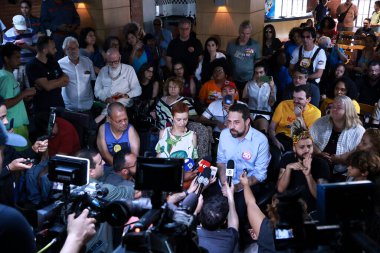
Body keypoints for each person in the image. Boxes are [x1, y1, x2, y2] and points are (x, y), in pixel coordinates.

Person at [217, 103, 271, 247]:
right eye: (229, 121)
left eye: (236, 122)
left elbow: (260, 175)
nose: (231, 126)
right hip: (224, 183)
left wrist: (236, 187)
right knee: (211, 211)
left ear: (247, 122)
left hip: (246, 186)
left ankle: (237, 246)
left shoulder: (261, 141)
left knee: (238, 215)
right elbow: (221, 162)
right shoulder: (224, 134)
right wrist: (224, 182)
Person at [277, 120, 329, 212]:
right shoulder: (287, 159)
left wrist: (308, 175)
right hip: (289, 207)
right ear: (294, 148)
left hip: (311, 211)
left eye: (309, 146)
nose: (307, 150)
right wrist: (288, 169)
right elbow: (280, 189)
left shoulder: (321, 164)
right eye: (302, 147)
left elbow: (321, 196)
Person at [310, 95, 365, 180]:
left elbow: (360, 155)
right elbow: (307, 140)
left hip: (344, 173)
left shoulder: (358, 131)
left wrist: (340, 159)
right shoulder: (321, 122)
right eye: (332, 106)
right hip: (317, 166)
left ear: (348, 111)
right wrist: (318, 153)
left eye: (339, 107)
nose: (333, 109)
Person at [94, 48, 141, 123]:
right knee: (112, 104)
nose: (113, 64)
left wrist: (125, 95)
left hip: (123, 101)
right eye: (110, 62)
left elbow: (138, 89)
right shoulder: (103, 70)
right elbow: (97, 90)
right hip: (106, 101)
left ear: (120, 57)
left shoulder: (129, 69)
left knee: (116, 104)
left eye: (116, 61)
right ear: (106, 59)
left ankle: (100, 118)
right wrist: (106, 99)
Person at [269, 85, 321, 152]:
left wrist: (299, 117)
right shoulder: (283, 105)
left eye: (300, 99)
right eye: (294, 98)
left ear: (308, 100)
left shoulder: (315, 113)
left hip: (299, 141)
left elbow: (308, 137)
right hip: (280, 137)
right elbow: (271, 128)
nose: (296, 101)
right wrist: (275, 141)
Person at [0, 43, 35, 141]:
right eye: (17, 57)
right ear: (6, 59)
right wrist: (24, 93)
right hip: (14, 126)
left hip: (17, 124)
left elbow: (12, 98)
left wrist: (24, 96)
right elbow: (5, 104)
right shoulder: (6, 78)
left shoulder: (7, 75)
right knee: (22, 155)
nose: (20, 60)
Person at [26, 35, 69, 113]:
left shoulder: (53, 62)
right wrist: (58, 81)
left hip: (59, 107)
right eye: (53, 48)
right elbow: (47, 87)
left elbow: (66, 80)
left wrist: (50, 83)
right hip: (43, 110)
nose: (56, 50)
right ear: (45, 50)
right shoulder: (33, 65)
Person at [197, 183, 239, 253]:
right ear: (224, 222)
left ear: (200, 214)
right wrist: (230, 197)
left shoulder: (188, 231)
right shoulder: (229, 239)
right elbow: (234, 226)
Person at [58, 36, 96, 113]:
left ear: (78, 48)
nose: (73, 51)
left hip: (87, 106)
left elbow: (93, 81)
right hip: (68, 107)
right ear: (65, 50)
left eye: (75, 48)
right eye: (70, 49)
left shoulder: (88, 62)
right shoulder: (60, 64)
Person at [97, 102, 140, 166]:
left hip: (127, 169)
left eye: (125, 119)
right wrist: (119, 168)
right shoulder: (103, 129)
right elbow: (105, 154)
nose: (124, 123)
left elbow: (135, 156)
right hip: (109, 168)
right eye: (119, 121)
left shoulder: (130, 130)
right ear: (109, 119)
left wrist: (123, 170)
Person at [3, 15, 37, 89]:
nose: (21, 31)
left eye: (22, 29)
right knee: (17, 89)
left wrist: (27, 46)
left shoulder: (31, 32)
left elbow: (38, 50)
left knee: (33, 87)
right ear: (13, 25)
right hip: (15, 68)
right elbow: (5, 53)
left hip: (30, 65)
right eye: (18, 29)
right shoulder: (7, 34)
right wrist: (13, 46)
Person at [226, 20, 261, 93]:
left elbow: (258, 63)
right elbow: (228, 61)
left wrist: (256, 77)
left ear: (250, 33)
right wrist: (229, 75)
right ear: (239, 32)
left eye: (247, 34)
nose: (245, 36)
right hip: (234, 79)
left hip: (249, 79)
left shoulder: (255, 45)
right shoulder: (231, 44)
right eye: (243, 33)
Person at [242, 62, 276, 132]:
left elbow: (271, 104)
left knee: (262, 131)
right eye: (256, 73)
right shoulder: (249, 84)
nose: (258, 75)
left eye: (261, 72)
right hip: (250, 113)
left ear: (265, 73)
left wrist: (272, 88)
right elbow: (244, 100)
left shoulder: (270, 85)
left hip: (264, 114)